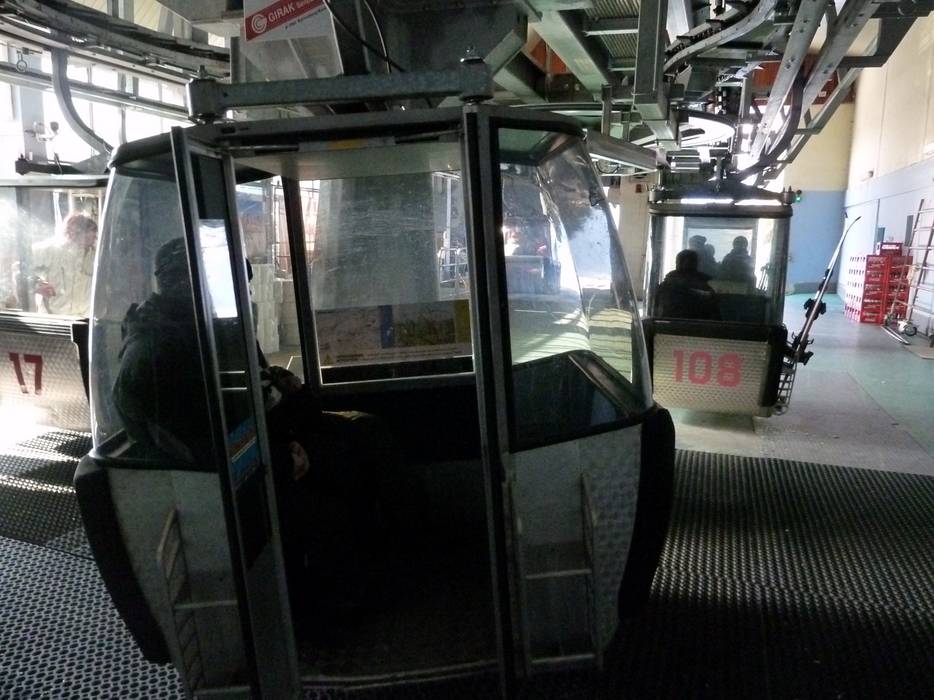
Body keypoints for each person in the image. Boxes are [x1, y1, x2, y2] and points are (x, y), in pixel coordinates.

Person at [113, 238, 393, 634]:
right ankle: (321, 616)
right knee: (333, 491)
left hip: (266, 445)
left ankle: (365, 576)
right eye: (230, 286)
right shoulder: (158, 356)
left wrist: (291, 395)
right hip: (224, 487)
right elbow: (197, 449)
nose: (241, 298)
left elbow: (257, 400)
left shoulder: (208, 332)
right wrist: (279, 456)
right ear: (191, 286)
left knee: (361, 437)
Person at [30, 212, 98, 316]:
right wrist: (36, 284)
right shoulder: (51, 250)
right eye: (88, 232)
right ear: (72, 231)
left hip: (85, 319)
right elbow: (20, 266)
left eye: (94, 234)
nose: (94, 238)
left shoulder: (96, 256)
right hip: (53, 319)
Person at [654, 249, 721, 321]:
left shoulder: (666, 286)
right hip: (700, 326)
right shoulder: (706, 287)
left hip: (671, 326)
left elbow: (657, 314)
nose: (686, 264)